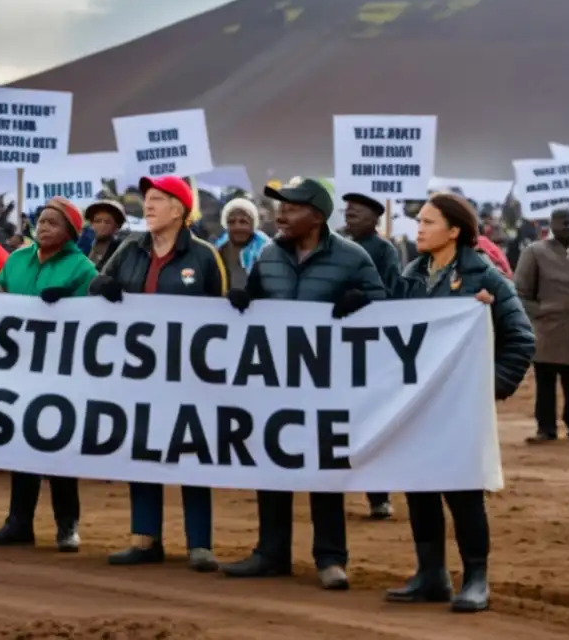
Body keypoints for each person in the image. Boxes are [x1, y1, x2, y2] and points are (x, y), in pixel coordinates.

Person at [222, 178, 387, 590]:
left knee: (322, 471)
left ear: (316, 215)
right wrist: (242, 299)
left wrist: (363, 303)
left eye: (291, 208)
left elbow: (384, 307)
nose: (280, 215)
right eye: (279, 207)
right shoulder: (270, 255)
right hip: (274, 382)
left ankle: (331, 558)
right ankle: (269, 554)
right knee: (272, 467)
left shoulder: (353, 257)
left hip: (327, 384)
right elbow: (256, 299)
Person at [385, 193, 534, 612]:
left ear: (455, 231)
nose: (419, 228)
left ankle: (475, 579)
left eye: (429, 222)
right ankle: (430, 574)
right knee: (419, 489)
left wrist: (488, 386)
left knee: (462, 491)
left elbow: (522, 338)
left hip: (460, 409)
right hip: (417, 405)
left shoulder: (485, 278)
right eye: (419, 221)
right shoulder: (410, 275)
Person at [89, 176, 227, 572]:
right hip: (138, 375)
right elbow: (97, 286)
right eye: (146, 199)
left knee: (192, 454)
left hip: (190, 375)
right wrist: (101, 286)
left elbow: (221, 317)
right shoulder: (130, 250)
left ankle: (199, 544)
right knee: (143, 451)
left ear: (179, 210)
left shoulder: (203, 257)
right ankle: (144, 539)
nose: (147, 206)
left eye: (157, 200)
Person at [0, 197, 97, 552]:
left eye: (53, 222)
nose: (44, 226)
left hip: (61, 371)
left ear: (70, 233)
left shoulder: (82, 269)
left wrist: (68, 301)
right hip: (18, 367)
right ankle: (18, 522)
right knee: (21, 447)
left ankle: (67, 526)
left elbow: (94, 319)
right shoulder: (16, 259)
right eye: (41, 220)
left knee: (58, 447)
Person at [341, 191, 402, 520]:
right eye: (347, 210)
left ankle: (379, 495)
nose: (349, 215)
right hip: (336, 343)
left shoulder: (385, 251)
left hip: (371, 346)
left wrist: (362, 299)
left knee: (372, 420)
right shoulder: (334, 245)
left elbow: (390, 294)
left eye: (357, 212)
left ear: (375, 218)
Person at [513, 206, 569, 442]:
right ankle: (546, 428)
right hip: (547, 329)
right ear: (551, 225)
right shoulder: (535, 252)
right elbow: (520, 291)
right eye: (563, 222)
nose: (568, 226)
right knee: (546, 382)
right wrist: (539, 313)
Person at [216, 197, 269, 290]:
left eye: (243, 222)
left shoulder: (267, 251)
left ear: (253, 225)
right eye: (231, 222)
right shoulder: (218, 251)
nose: (237, 227)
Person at [84, 199, 127, 269]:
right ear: (91, 224)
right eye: (97, 221)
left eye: (107, 222)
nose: (102, 225)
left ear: (117, 227)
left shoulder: (122, 251)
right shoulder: (82, 246)